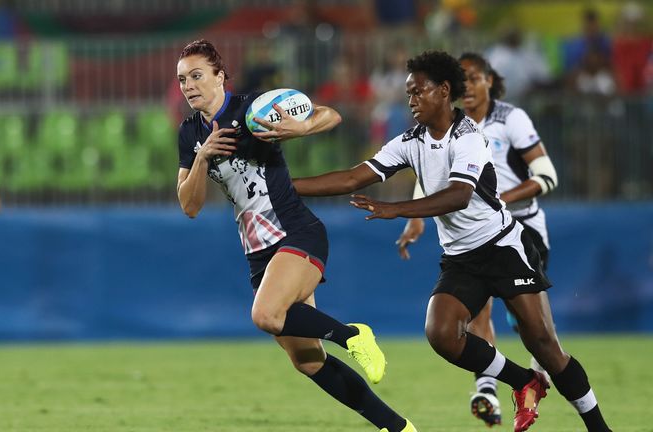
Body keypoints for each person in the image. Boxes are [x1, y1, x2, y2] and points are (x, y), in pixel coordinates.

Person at [293, 50, 612, 432]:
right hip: (461, 258)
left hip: (503, 248)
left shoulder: (470, 137)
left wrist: (398, 210)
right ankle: (523, 382)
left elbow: (460, 195)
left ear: (444, 91)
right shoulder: (410, 141)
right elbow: (351, 178)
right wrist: (284, 187)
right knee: (441, 335)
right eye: (408, 94)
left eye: (418, 92)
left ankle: (598, 427)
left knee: (544, 345)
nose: (411, 101)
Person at [175, 39, 415, 432]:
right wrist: (202, 156)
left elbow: (330, 115)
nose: (189, 86)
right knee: (307, 360)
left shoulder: (252, 110)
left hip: (295, 231)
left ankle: (353, 334)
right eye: (183, 79)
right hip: (257, 251)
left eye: (197, 76)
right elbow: (189, 204)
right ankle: (398, 427)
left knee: (266, 314)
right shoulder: (190, 134)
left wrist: (302, 126)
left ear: (220, 76)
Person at [397, 52, 559, 427]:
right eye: (462, 78)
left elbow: (546, 173)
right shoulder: (444, 126)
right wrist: (417, 219)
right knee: (474, 312)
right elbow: (435, 172)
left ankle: (542, 369)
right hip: (473, 233)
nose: (467, 86)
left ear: (490, 80)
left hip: (522, 227)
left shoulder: (510, 118)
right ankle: (488, 388)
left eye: (475, 77)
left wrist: (504, 199)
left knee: (529, 327)